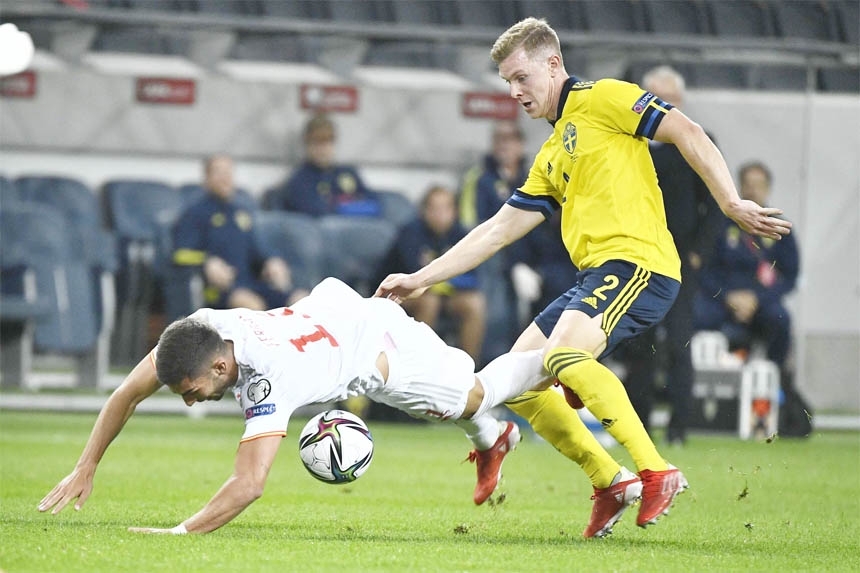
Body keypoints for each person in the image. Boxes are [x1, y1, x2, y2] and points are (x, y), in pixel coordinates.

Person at [376, 17, 792, 537]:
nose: (514, 92)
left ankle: (655, 469)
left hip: (641, 264)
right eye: (507, 82)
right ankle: (609, 480)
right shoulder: (552, 152)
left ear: (553, 64)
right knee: (522, 379)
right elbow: (498, 229)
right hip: (595, 275)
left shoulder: (606, 99)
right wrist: (420, 277)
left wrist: (730, 201)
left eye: (521, 77)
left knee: (561, 357)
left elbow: (687, 130)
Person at [38, 277, 553, 533]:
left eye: (192, 392)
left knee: (474, 395)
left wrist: (178, 533)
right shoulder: (197, 331)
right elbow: (126, 393)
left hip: (374, 344)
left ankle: (564, 357)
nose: (192, 403)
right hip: (326, 311)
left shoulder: (267, 380)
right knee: (467, 413)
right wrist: (86, 466)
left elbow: (250, 485)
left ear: (220, 369)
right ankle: (493, 440)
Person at [618, 65, 722, 445]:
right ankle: (640, 427)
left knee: (680, 342)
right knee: (639, 344)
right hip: (638, 255)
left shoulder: (695, 140)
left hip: (680, 258)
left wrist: (698, 253)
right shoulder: (632, 141)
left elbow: (714, 200)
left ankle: (679, 427)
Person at [694, 161, 803, 431]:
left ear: (768, 189)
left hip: (760, 304)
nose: (753, 190)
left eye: (759, 185)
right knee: (692, 317)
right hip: (721, 302)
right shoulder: (721, 223)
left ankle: (775, 384)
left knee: (781, 319)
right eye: (748, 184)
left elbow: (789, 276)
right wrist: (728, 296)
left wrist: (757, 299)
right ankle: (687, 396)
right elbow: (703, 269)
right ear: (739, 187)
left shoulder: (780, 228)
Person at [172, 155, 303, 311]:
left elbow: (257, 249)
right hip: (218, 289)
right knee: (252, 307)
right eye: (218, 173)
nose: (225, 178)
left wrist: (272, 261)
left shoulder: (241, 213)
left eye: (228, 172)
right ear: (206, 179)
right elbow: (180, 254)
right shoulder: (194, 213)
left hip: (251, 283)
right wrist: (206, 262)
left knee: (301, 300)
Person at [378, 185, 486, 362]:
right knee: (429, 302)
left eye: (446, 208)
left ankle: (468, 370)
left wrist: (445, 282)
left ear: (454, 211)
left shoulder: (461, 234)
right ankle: (417, 367)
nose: (440, 215)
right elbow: (413, 276)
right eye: (434, 209)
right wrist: (450, 278)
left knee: (474, 303)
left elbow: (472, 278)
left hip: (445, 295)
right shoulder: (410, 233)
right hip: (400, 297)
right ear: (424, 211)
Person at [264, 114, 380, 217]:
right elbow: (318, 212)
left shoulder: (348, 173)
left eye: (327, 141)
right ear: (307, 144)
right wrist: (350, 206)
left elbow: (374, 205)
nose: (322, 148)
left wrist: (340, 207)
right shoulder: (300, 179)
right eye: (316, 141)